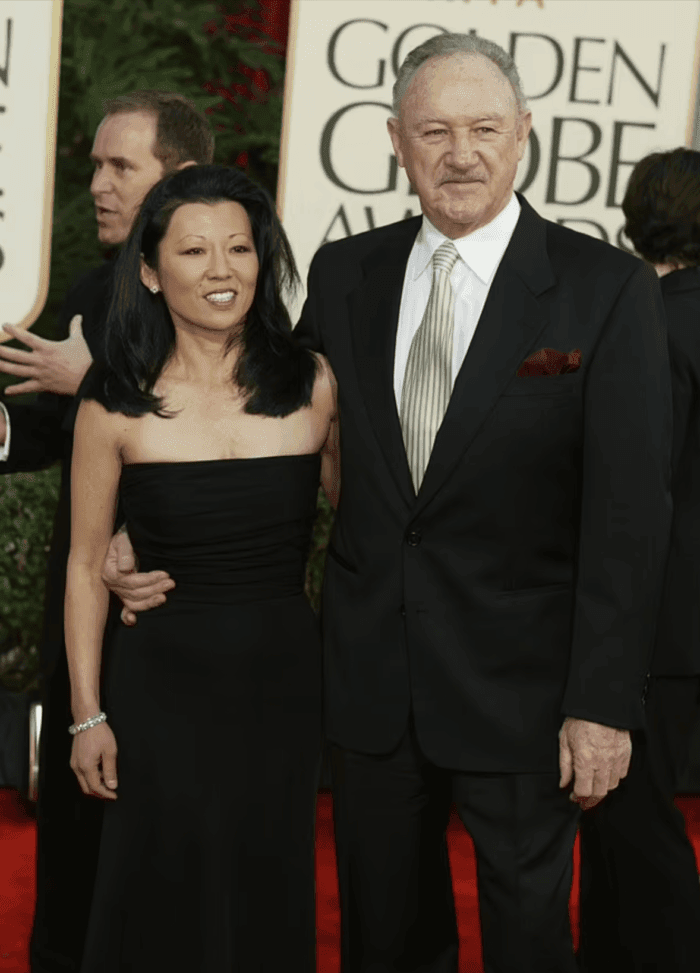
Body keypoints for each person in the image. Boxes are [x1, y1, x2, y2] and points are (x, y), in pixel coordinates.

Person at [103, 34, 672, 972]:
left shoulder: (603, 288)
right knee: (385, 941)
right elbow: (265, 416)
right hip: (371, 684)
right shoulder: (345, 273)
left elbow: (630, 518)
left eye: (484, 128)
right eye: (434, 131)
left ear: (524, 134)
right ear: (397, 143)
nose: (461, 153)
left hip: (527, 695)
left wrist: (603, 702)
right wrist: (144, 521)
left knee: (529, 941)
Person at [66, 163, 337, 972]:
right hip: (160, 684)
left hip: (281, 684)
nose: (223, 270)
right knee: (155, 886)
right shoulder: (113, 400)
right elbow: (84, 564)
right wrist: (86, 715)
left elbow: (374, 529)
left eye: (240, 248)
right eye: (194, 250)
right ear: (151, 272)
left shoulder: (313, 385)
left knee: (265, 883)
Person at [0, 91, 214, 973]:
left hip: (179, 623)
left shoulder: (230, 295)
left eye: (121, 165)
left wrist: (95, 379)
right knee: (72, 849)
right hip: (80, 617)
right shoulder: (93, 290)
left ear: (181, 176)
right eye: (94, 165)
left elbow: (240, 435)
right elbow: (39, 432)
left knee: (160, 859)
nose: (98, 184)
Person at [577, 148, 700, 973]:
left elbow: (635, 483)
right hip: (680, 617)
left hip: (656, 615)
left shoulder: (647, 322)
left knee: (630, 814)